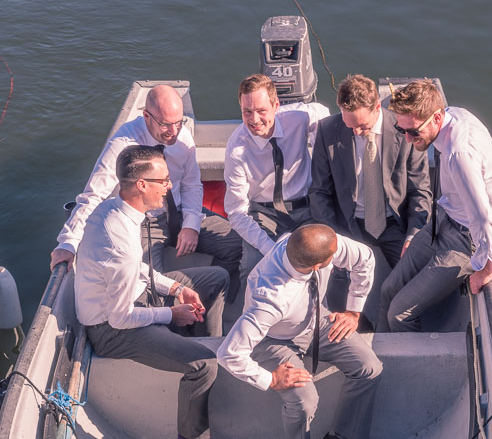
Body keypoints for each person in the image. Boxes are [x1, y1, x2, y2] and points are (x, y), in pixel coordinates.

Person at [74, 144, 218, 439]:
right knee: (204, 364)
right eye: (164, 181)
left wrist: (177, 287)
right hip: (111, 331)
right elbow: (121, 317)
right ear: (142, 185)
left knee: (217, 278)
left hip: (132, 298)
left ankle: (199, 343)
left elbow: (137, 270)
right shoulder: (120, 240)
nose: (168, 186)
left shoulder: (111, 209)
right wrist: (171, 312)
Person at [52, 84, 240, 329]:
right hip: (144, 223)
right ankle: (175, 325)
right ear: (146, 117)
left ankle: (204, 304)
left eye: (178, 122)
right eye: (165, 125)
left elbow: (192, 184)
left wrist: (191, 225)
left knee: (237, 243)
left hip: (180, 212)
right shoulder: (122, 145)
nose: (173, 132)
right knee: (147, 289)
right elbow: (93, 196)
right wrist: (68, 242)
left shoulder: (181, 136)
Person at [217, 224, 382, 439]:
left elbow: (364, 258)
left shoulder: (309, 243)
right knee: (304, 398)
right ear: (317, 265)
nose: (339, 252)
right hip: (274, 339)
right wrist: (270, 379)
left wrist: (353, 312)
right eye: (334, 256)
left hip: (317, 319)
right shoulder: (270, 298)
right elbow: (229, 353)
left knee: (369, 367)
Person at [377, 78, 492, 332]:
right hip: (445, 220)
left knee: (399, 313)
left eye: (414, 132)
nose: (407, 139)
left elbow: (484, 219)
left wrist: (485, 269)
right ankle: (381, 357)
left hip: (469, 240)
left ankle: (408, 370)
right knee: (387, 290)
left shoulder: (459, 155)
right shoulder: (454, 114)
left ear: (437, 118)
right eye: (401, 130)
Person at [309, 73, 431, 325]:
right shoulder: (327, 130)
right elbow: (320, 191)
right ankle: (358, 326)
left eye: (362, 126)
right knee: (336, 281)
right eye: (349, 125)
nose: (356, 131)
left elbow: (420, 190)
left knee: (411, 280)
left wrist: (413, 234)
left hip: (393, 224)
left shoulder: (404, 131)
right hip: (349, 224)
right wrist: (332, 236)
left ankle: (402, 329)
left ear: (378, 107)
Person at [224, 74, 329, 292]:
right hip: (264, 213)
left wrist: (319, 143)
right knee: (254, 266)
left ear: (276, 106)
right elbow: (236, 212)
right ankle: (251, 318)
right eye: (247, 112)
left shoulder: (298, 118)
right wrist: (271, 249)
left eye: (261, 110)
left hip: (306, 207)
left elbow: (323, 113)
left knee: (323, 258)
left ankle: (321, 310)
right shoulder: (236, 149)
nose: (254, 119)